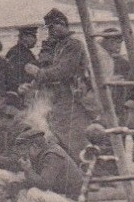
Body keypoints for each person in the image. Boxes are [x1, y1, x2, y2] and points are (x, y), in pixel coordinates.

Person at [27, 8, 94, 155]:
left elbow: (63, 71)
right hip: (61, 99)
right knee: (60, 136)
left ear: (62, 24)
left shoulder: (73, 45)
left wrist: (38, 73)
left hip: (73, 98)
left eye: (52, 27)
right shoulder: (59, 45)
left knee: (75, 140)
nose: (50, 31)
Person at [2, 25, 39, 96]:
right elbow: (12, 74)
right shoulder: (17, 52)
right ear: (25, 37)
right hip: (20, 91)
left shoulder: (23, 51)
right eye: (33, 36)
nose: (35, 40)